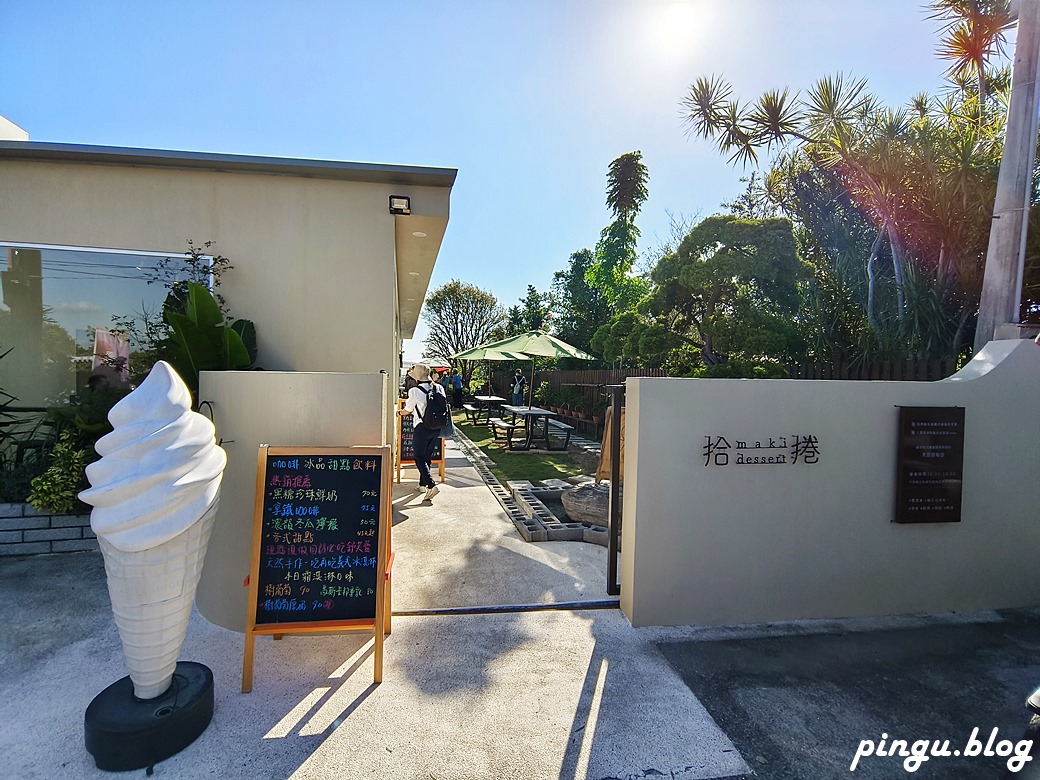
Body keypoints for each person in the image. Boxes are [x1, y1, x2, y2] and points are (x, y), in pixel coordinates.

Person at [399, 363, 444, 501]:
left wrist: (399, 413)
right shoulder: (439, 388)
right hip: (436, 427)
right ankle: (422, 484)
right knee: (427, 457)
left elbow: (408, 409)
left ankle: (431, 485)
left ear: (416, 378)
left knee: (418, 457)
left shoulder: (414, 391)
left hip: (422, 427)